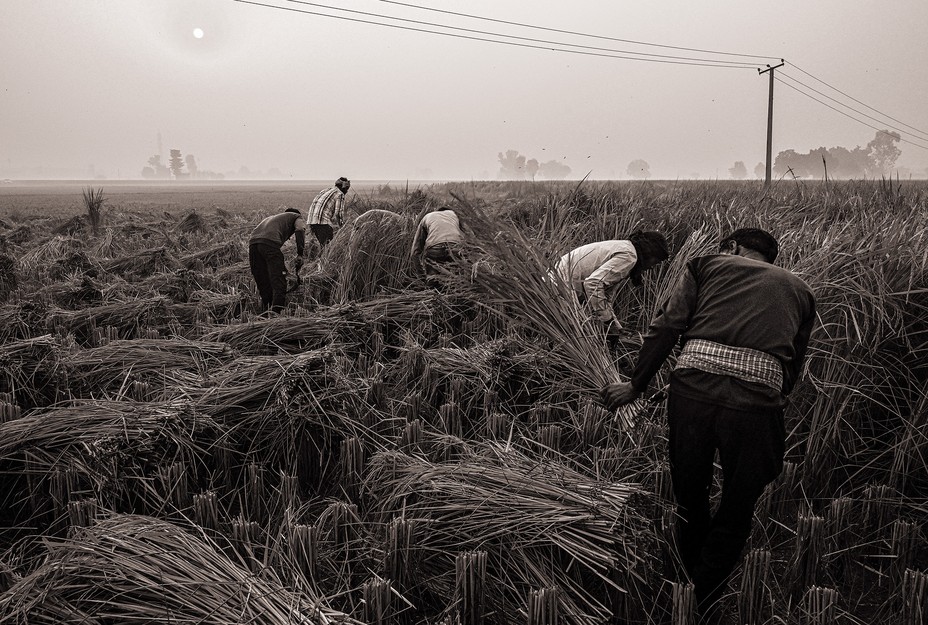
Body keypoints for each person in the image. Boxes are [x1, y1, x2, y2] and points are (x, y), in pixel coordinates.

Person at [600, 228, 816, 622]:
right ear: (770, 259)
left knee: (690, 492)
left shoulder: (705, 265)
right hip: (755, 405)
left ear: (731, 248)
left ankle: (685, 586)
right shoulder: (800, 289)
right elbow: (792, 366)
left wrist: (636, 384)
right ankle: (705, 594)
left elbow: (667, 326)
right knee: (738, 503)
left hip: (693, 395)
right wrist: (766, 397)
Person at [554, 231, 669, 337]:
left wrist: (616, 327)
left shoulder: (626, 250)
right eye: (655, 261)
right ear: (649, 252)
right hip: (560, 287)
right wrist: (608, 321)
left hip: (558, 283)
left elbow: (606, 297)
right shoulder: (629, 256)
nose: (652, 267)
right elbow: (593, 283)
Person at [248, 207, 305, 314]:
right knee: (279, 280)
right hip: (269, 243)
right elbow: (300, 230)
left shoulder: (273, 218)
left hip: (253, 244)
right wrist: (300, 254)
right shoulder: (297, 216)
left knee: (263, 279)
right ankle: (276, 313)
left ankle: (267, 308)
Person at [410, 206, 465, 280]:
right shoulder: (455, 216)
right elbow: (469, 238)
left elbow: (415, 251)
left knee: (433, 281)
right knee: (456, 281)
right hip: (455, 246)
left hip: (435, 248)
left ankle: (432, 287)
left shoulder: (427, 217)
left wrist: (422, 277)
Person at [307, 177, 350, 254]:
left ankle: (317, 263)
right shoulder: (340, 194)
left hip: (312, 220)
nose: (347, 191)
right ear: (344, 188)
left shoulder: (325, 190)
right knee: (328, 249)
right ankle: (322, 264)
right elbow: (338, 213)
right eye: (347, 188)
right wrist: (343, 227)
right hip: (322, 221)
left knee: (323, 246)